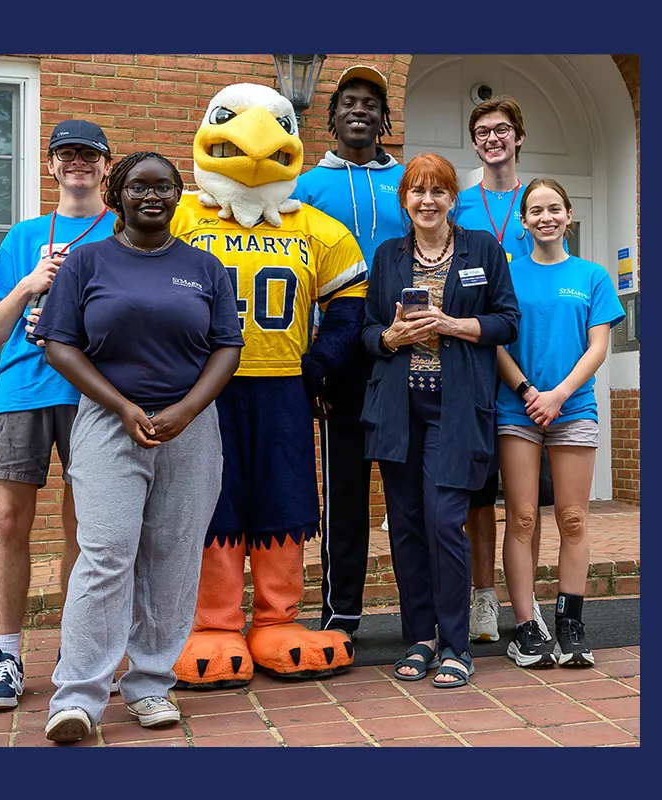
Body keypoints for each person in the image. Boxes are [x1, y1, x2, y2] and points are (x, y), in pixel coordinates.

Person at [33, 151, 243, 743]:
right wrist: (123, 406)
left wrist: (186, 410)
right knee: (105, 554)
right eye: (139, 187)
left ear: (179, 194)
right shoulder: (87, 262)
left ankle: (150, 684)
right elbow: (59, 344)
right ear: (116, 193)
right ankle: (77, 697)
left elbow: (227, 345)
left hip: (190, 429)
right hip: (107, 424)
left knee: (174, 558)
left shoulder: (205, 267)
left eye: (164, 188)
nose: (152, 197)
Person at [170, 82, 364, 689]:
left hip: (283, 385)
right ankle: (215, 621)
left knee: (286, 499)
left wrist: (319, 362)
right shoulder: (178, 213)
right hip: (203, 390)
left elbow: (349, 302)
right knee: (212, 501)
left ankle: (277, 618)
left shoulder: (317, 228)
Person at [0, 119, 116, 712]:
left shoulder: (123, 230)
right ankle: (6, 655)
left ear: (106, 166)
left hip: (94, 392)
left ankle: (75, 651)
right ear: (52, 165)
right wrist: (32, 281)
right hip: (23, 390)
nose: (78, 165)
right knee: (9, 522)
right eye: (67, 156)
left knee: (85, 526)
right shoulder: (25, 235)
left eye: (89, 156)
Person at [361, 152, 517, 688]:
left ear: (454, 199)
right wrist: (389, 337)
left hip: (455, 407)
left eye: (438, 191)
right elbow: (367, 330)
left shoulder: (483, 250)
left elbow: (506, 322)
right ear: (405, 199)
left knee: (443, 520)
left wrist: (452, 324)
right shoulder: (387, 256)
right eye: (417, 191)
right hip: (398, 407)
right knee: (405, 526)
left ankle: (455, 644)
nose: (427, 201)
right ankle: (421, 636)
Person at [289, 65, 402, 641]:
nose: (359, 110)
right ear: (332, 117)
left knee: (412, 488)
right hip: (338, 351)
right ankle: (343, 615)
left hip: (404, 346)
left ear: (385, 120)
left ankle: (426, 615)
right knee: (346, 488)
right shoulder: (306, 186)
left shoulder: (409, 182)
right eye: (348, 102)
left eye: (370, 104)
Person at [497, 179, 624, 669]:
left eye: (554, 208)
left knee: (573, 519)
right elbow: (496, 344)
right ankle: (527, 627)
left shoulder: (591, 276)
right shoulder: (507, 275)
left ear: (567, 215)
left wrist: (558, 395)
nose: (545, 217)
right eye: (535, 210)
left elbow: (597, 347)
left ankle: (570, 621)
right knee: (523, 518)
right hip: (516, 409)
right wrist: (530, 393)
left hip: (573, 409)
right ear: (523, 221)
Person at [452, 95, 554, 643]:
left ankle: (526, 598)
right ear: (475, 142)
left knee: (524, 501)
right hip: (473, 363)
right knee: (476, 493)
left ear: (518, 136)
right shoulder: (460, 205)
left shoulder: (537, 201)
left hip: (531, 367)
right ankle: (483, 597)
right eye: (483, 132)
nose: (493, 139)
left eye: (502, 130)